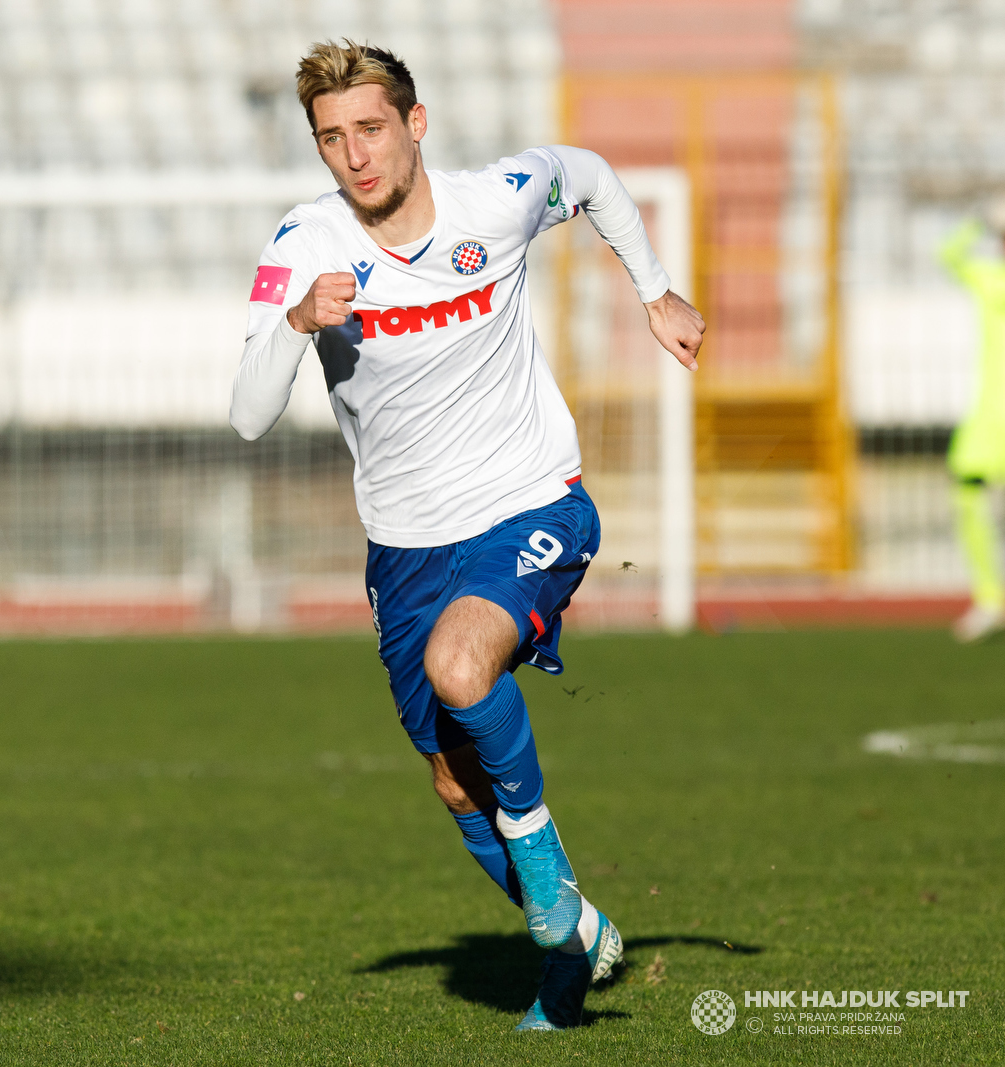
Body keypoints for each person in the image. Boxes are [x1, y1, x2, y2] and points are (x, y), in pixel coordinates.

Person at [230, 40, 705, 1031]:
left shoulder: (496, 199)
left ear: (414, 123)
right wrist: (295, 324)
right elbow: (245, 414)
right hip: (405, 548)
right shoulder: (303, 246)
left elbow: (591, 174)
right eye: (330, 138)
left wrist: (654, 287)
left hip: (533, 501)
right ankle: (575, 947)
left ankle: (544, 871)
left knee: (460, 666)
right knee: (452, 778)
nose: (353, 155)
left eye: (369, 128)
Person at [939, 210, 1005, 642]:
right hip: (991, 415)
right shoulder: (989, 276)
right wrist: (982, 220)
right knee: (967, 494)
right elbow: (946, 254)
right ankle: (988, 599)